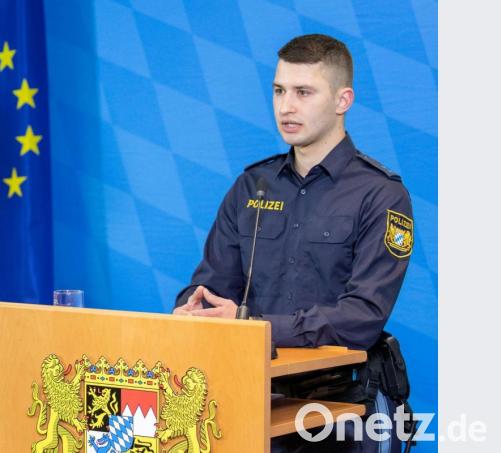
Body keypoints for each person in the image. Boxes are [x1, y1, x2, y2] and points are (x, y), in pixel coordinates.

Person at [173, 34, 413, 452]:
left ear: (343, 100)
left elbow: (364, 316)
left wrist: (256, 327)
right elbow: (211, 284)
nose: (286, 106)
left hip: (340, 406)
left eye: (304, 92)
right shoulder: (252, 185)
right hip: (246, 394)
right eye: (280, 91)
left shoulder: (381, 194)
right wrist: (197, 309)